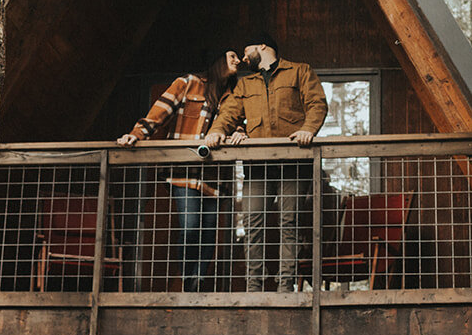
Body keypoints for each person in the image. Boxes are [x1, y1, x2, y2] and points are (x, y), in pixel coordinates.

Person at [203, 34, 327, 292]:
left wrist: (308, 129)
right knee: (252, 221)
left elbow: (317, 103)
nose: (243, 55)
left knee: (289, 221)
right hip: (258, 165)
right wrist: (216, 131)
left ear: (262, 46)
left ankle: (285, 287)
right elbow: (228, 113)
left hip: (294, 163)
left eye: (246, 49)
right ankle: (253, 288)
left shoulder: (299, 71)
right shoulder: (245, 84)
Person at [118, 51, 240, 292]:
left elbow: (240, 123)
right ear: (217, 60)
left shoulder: (234, 96)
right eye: (232, 56)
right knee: (191, 226)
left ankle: (197, 282)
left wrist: (240, 133)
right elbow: (158, 113)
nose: (237, 61)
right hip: (183, 172)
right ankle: (188, 281)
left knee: (209, 233)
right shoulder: (187, 83)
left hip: (215, 177)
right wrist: (135, 134)